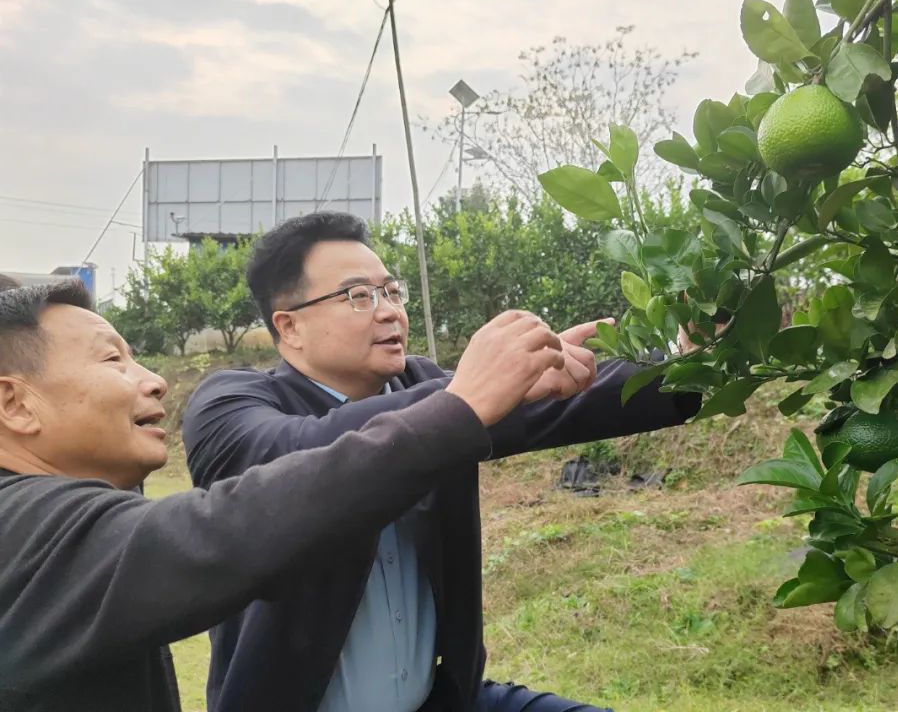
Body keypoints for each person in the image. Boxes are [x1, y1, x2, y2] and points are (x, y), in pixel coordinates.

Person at [183, 211, 703, 712]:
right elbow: (295, 455)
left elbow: (557, 406)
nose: (389, 310)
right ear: (289, 327)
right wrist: (469, 396)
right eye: (358, 296)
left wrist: (693, 363)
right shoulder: (230, 406)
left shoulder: (423, 385)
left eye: (391, 291)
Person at [0, 279, 567, 711]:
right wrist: (459, 406)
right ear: (15, 405)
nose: (154, 380)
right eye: (111, 358)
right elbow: (227, 531)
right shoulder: (22, 531)